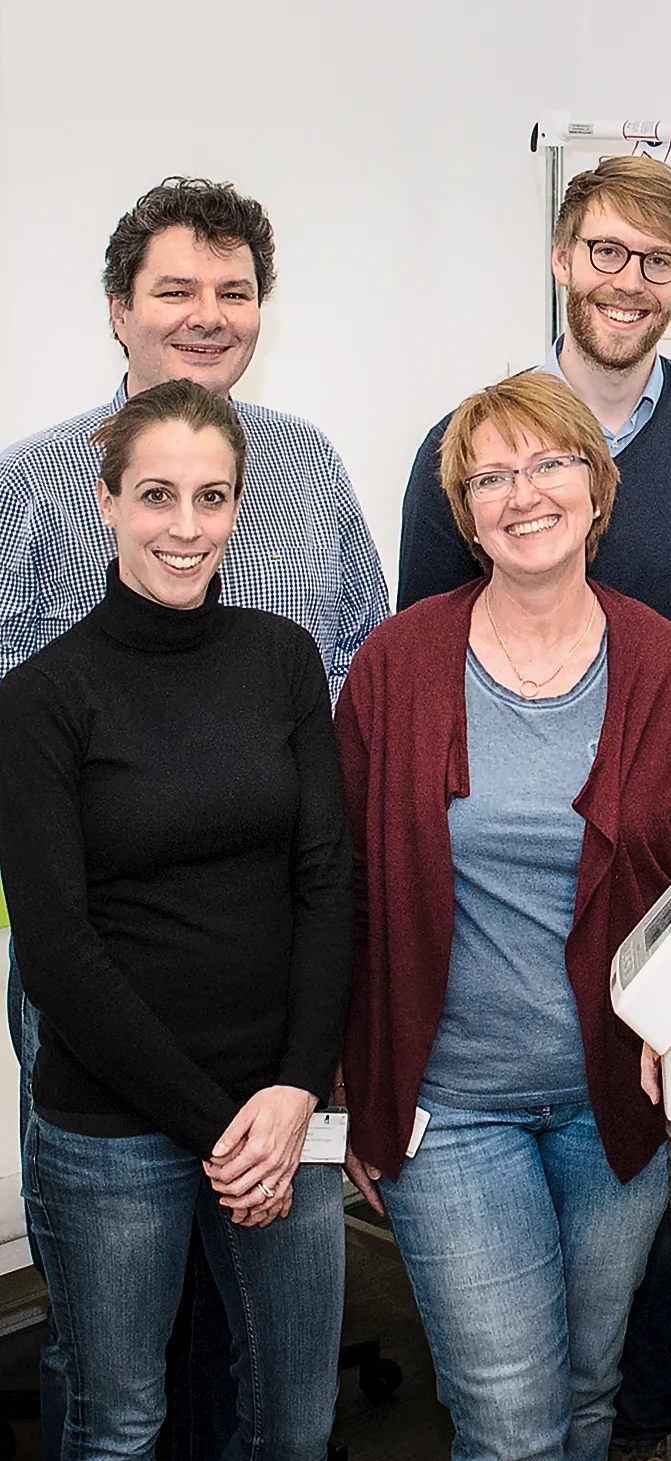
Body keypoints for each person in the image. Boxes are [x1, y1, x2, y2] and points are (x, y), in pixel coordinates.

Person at [0, 174, 387, 1461]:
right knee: (113, 1373)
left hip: (272, 996)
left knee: (272, 1385)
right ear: (120, 310)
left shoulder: (307, 470)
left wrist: (298, 1073)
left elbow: (360, 669)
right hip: (101, 992)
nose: (207, 314)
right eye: (176, 289)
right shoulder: (34, 484)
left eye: (235, 290)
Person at [335, 372, 671, 1461]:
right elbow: (343, 888)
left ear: (596, 488)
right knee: (512, 1420)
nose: (524, 494)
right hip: (451, 1104)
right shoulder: (394, 666)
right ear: (464, 515)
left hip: (617, 1105)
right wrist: (347, 1079)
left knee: (590, 1392)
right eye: (491, 477)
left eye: (550, 464)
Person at [397, 154, 671, 657]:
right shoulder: (466, 449)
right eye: (607, 251)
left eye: (659, 261)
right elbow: (422, 653)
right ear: (562, 259)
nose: (630, 283)